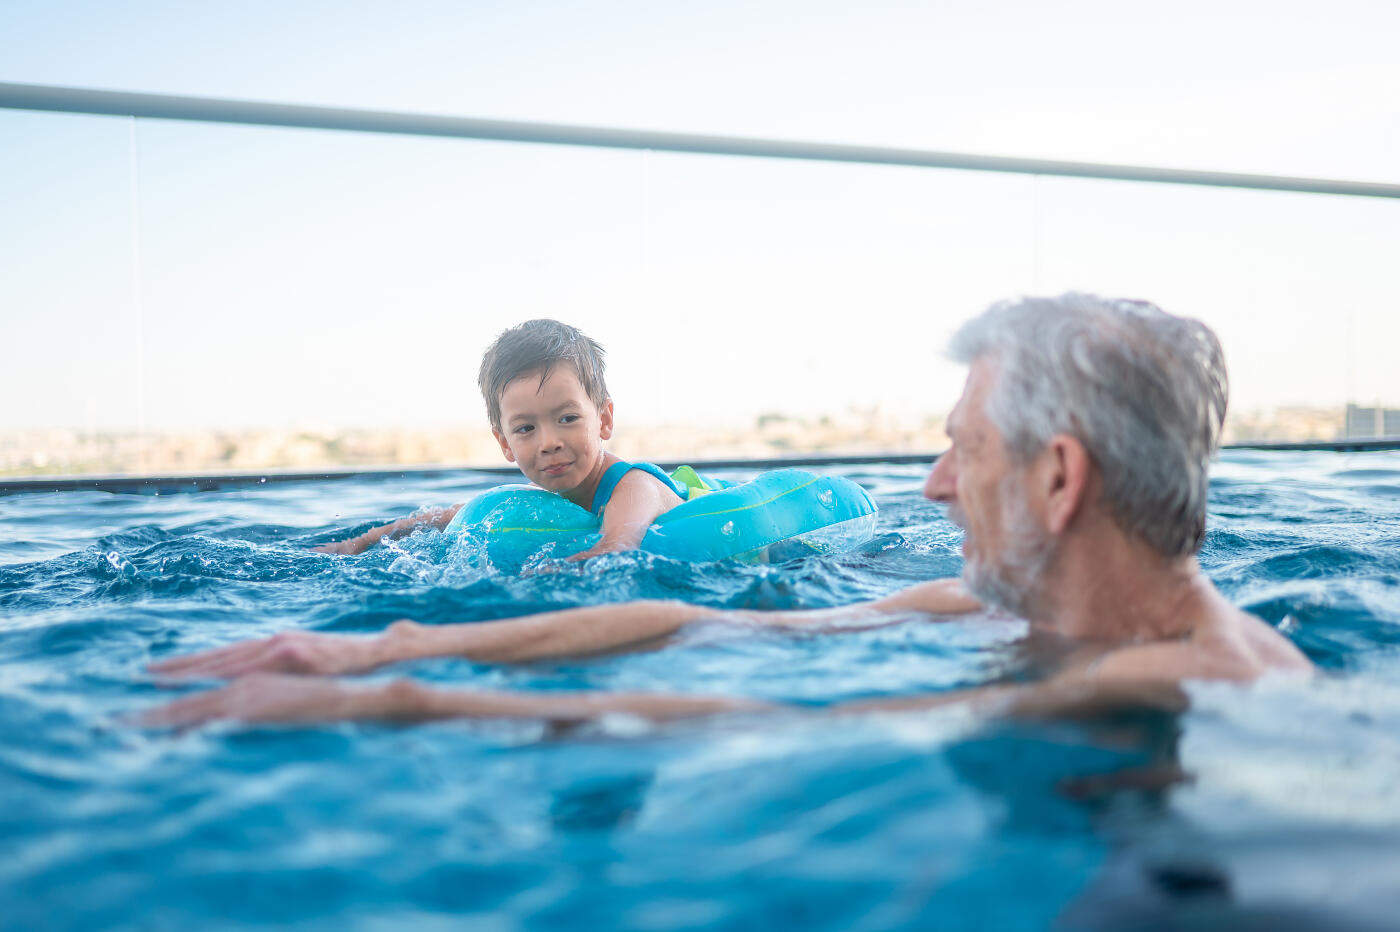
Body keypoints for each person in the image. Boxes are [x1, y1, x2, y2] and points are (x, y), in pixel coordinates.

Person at [145, 294, 1313, 728]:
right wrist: (377, 648)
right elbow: (725, 632)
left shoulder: (1200, 680)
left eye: (960, 451)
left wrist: (411, 704)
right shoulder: (1001, 604)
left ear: (1058, 480)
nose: (931, 486)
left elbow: (763, 705)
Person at [315, 319, 691, 560]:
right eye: (526, 428)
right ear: (505, 443)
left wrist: (546, 578)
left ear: (604, 420)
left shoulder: (633, 487)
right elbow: (446, 517)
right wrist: (358, 543)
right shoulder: (541, 490)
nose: (549, 442)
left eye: (567, 418)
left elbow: (618, 549)